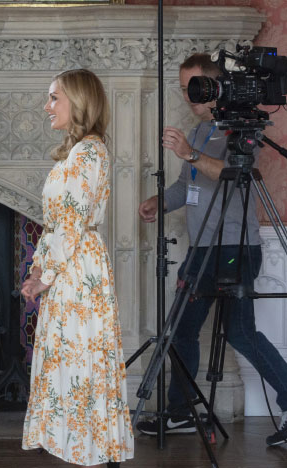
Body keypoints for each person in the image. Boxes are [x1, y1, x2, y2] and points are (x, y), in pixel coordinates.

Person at [137, 53, 287, 446]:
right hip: (205, 246)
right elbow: (191, 185)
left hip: (234, 246)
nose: (189, 95)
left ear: (215, 85)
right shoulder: (201, 131)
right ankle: (183, 413)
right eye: (185, 87)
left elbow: (232, 174)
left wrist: (188, 152)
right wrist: (160, 201)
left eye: (194, 86)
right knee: (204, 330)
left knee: (215, 331)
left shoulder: (241, 130)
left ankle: (181, 412)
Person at [21, 69, 134, 468]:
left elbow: (69, 223)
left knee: (78, 356)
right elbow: (55, 222)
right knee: (71, 357)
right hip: (67, 262)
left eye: (54, 98)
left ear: (78, 102)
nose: (47, 106)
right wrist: (38, 269)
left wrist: (42, 277)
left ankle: (87, 448)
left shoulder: (89, 152)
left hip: (75, 267)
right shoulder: (79, 151)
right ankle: (77, 445)